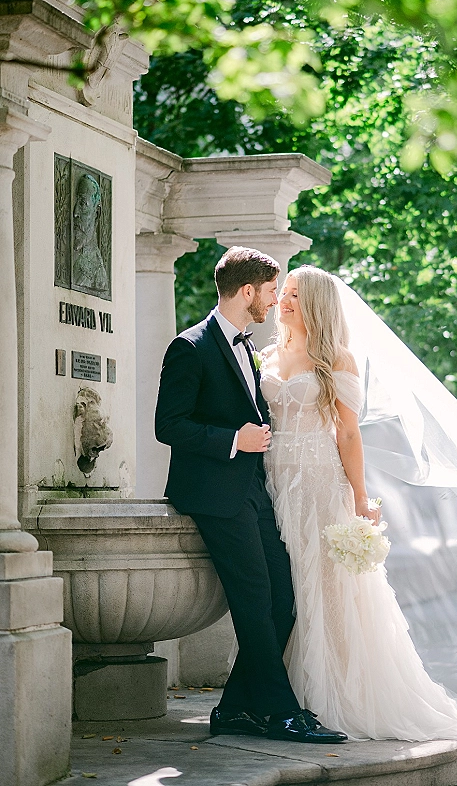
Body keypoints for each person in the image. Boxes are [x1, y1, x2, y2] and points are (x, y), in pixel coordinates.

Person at [259, 264, 457, 781]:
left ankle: (332, 695)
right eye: (282, 293)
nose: (283, 302)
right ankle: (282, 691)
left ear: (319, 305)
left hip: (321, 483)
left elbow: (349, 436)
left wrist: (359, 498)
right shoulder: (264, 355)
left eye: (295, 296)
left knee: (328, 589)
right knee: (285, 588)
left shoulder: (336, 359)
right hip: (270, 482)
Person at [154, 247, 347, 744]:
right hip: (214, 494)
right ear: (247, 292)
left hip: (256, 493)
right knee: (256, 598)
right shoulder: (189, 347)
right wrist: (232, 440)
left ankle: (237, 707)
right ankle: (281, 712)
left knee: (284, 596)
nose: (273, 301)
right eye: (269, 292)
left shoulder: (248, 346)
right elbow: (168, 425)